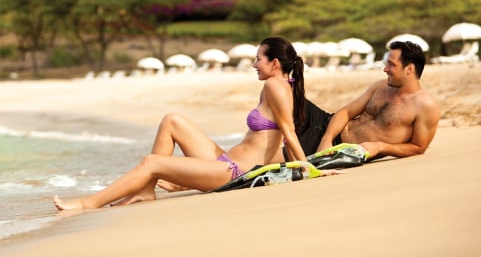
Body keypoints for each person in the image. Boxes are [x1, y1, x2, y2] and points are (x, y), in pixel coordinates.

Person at [53, 36, 313, 210]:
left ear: (275, 63)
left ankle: (88, 203)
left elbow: (288, 132)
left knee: (151, 162)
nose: (254, 64)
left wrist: (308, 168)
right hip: (226, 162)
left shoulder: (274, 86)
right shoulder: (276, 87)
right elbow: (274, 142)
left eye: (258, 59)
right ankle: (145, 190)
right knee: (172, 120)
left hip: (235, 174)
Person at [315, 40, 441, 160]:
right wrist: (327, 139)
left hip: (341, 150)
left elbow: (418, 148)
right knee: (297, 100)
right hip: (327, 126)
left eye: (391, 64)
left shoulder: (426, 105)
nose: (385, 69)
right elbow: (347, 112)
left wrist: (381, 147)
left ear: (409, 69)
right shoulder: (381, 86)